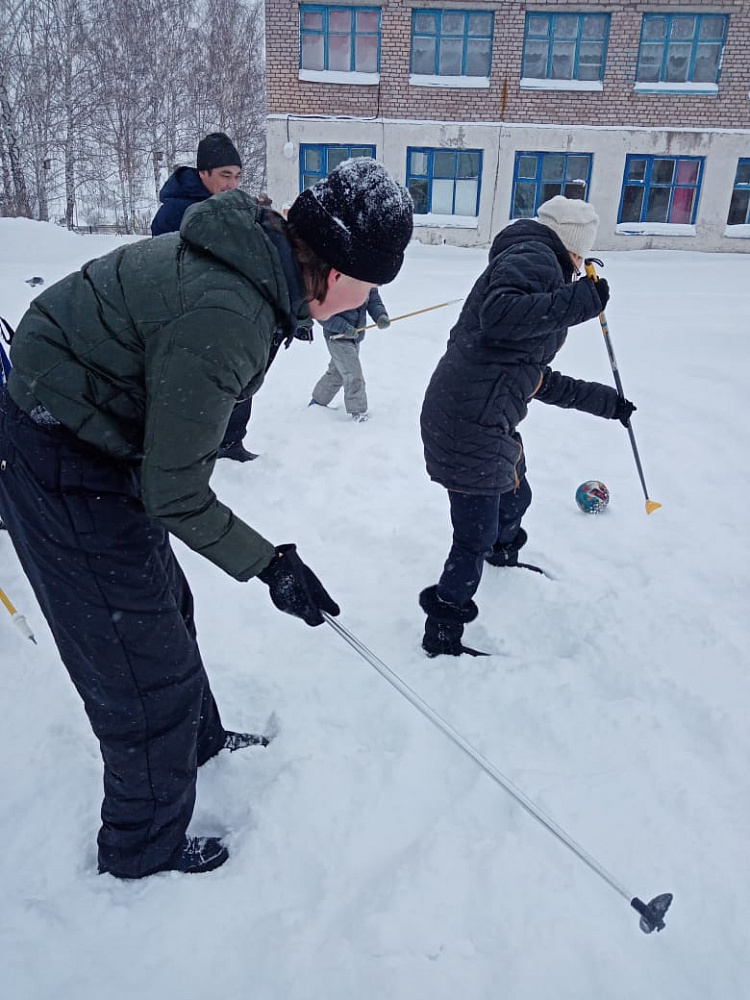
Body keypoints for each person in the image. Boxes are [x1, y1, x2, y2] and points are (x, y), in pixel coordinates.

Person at [0, 158, 413, 878]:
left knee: (166, 606)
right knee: (140, 665)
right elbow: (176, 493)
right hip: (58, 452)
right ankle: (141, 848)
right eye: (371, 284)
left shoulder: (253, 263)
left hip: (100, 436)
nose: (370, 300)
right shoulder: (228, 314)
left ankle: (199, 744)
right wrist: (272, 566)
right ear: (335, 269)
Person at [418, 195, 635, 657]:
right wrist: (579, 302)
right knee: (472, 537)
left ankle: (502, 555)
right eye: (583, 256)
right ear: (574, 246)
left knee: (516, 494)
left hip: (480, 413)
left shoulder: (535, 261)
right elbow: (501, 316)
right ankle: (442, 632)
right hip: (467, 423)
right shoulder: (536, 257)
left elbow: (532, 375)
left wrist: (607, 403)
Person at [151, 133, 258, 461]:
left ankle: (231, 442)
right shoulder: (174, 213)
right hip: (187, 311)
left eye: (237, 176)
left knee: (240, 376)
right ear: (203, 173)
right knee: (194, 386)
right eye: (225, 175)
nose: (232, 184)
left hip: (229, 308)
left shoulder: (233, 208)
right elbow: (160, 265)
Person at [309, 288, 390, 422]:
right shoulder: (334, 281)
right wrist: (343, 327)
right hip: (337, 337)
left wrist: (380, 316)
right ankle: (358, 412)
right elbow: (321, 312)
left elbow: (373, 300)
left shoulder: (367, 280)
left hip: (354, 336)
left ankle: (318, 401)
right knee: (353, 374)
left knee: (338, 373)